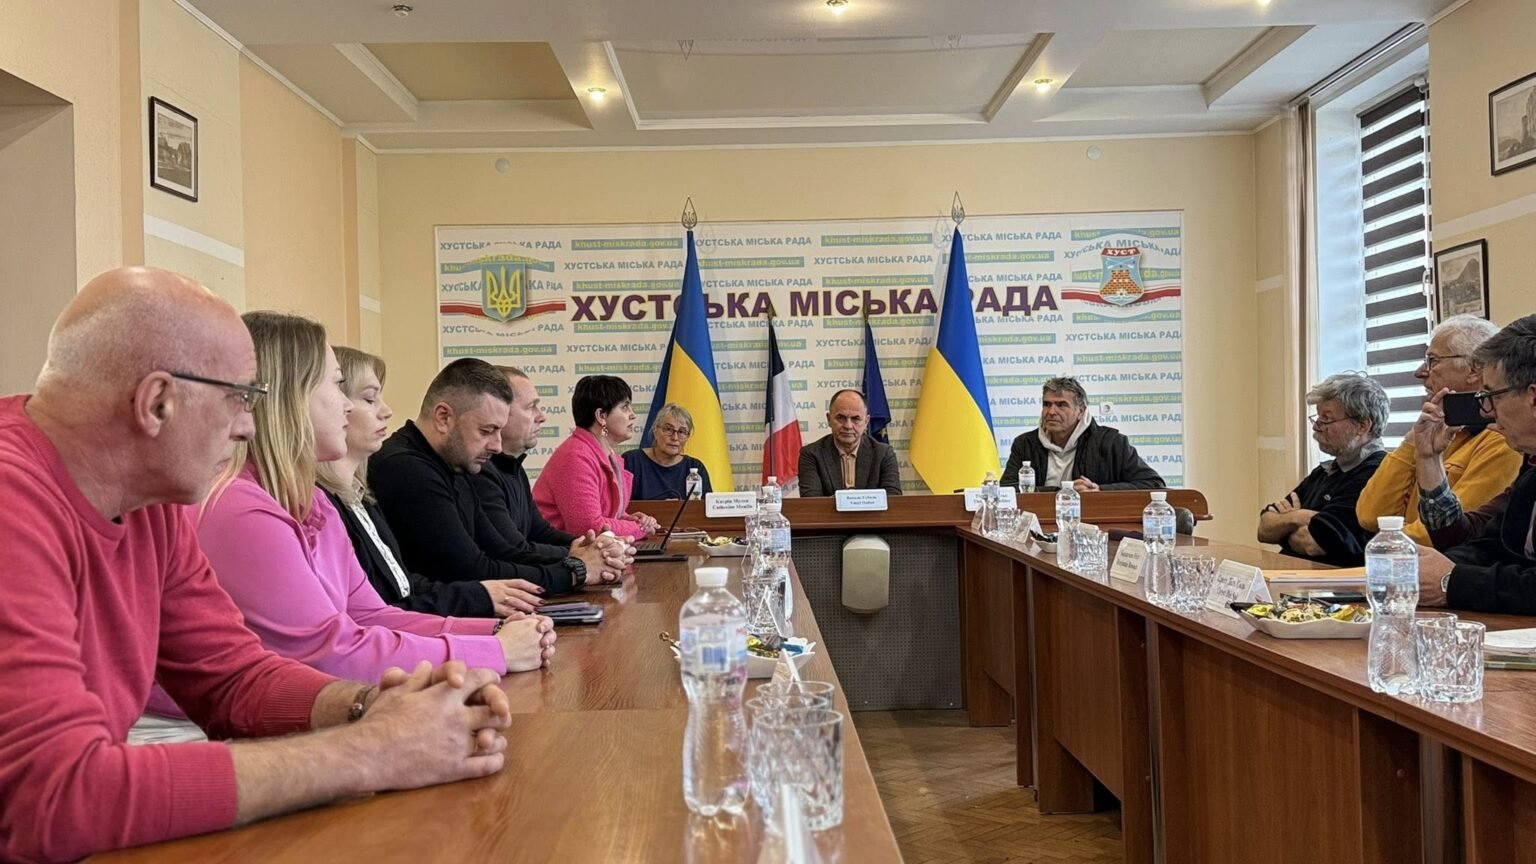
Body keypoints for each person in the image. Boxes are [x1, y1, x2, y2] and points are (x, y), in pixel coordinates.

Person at [0, 267, 513, 862]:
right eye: (241, 398)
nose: (248, 424)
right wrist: (372, 750)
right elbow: (53, 798)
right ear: (157, 402)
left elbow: (232, 678)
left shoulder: (150, 499)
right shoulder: (14, 502)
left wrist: (371, 706)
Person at [185, 313, 554, 688]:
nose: (346, 405)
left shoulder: (316, 500)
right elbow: (330, 653)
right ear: (291, 396)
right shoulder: (243, 510)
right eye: (337, 385)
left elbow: (371, 615)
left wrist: (491, 631)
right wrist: (494, 652)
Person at [319, 349, 549, 618]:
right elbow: (370, 617)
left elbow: (402, 587)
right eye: (370, 399)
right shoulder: (400, 468)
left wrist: (574, 567)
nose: (386, 411)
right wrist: (484, 614)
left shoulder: (359, 495)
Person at [372, 360, 622, 595]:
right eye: (486, 431)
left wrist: (578, 558)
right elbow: (473, 570)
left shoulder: (454, 463)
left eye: (499, 431)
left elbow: (502, 551)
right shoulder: (407, 468)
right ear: (443, 417)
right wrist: (575, 571)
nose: (497, 445)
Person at [1356, 315, 1522, 544]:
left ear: (1475, 369)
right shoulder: (1437, 431)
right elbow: (1370, 515)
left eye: (1432, 360)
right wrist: (1411, 442)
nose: (1420, 372)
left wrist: (1384, 544)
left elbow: (1447, 534)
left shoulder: (1503, 438)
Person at [1418, 314, 1536, 612]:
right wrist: (1420, 570)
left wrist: (1451, 582)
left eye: (1492, 396)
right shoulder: (1532, 463)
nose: (1487, 411)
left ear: (1533, 398)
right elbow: (1488, 543)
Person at [473, 366, 635, 575]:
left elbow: (540, 532)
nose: (542, 417)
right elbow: (514, 549)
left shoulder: (514, 469)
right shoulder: (482, 473)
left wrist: (592, 548)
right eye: (531, 407)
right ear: (499, 413)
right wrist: (583, 556)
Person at [1257, 372, 1390, 565]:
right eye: (1317, 417)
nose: (1316, 427)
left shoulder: (1377, 472)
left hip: (1335, 582)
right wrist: (1299, 517)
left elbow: (1312, 543)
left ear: (1362, 426)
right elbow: (1264, 529)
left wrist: (1285, 523)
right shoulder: (1326, 471)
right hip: (1294, 576)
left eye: (1326, 419)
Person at [533, 375, 659, 539]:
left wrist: (630, 519)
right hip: (558, 551)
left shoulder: (608, 455)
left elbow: (607, 516)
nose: (632, 415)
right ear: (601, 416)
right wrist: (639, 528)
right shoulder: (575, 457)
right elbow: (589, 528)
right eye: (625, 407)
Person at [999, 377, 1164, 492]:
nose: (1051, 412)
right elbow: (1006, 489)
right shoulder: (1025, 444)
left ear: (1080, 411)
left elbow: (1154, 484)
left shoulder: (1112, 442)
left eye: (1061, 405)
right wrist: (1062, 491)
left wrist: (1099, 490)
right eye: (1047, 404)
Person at [798, 388, 902, 497]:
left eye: (855, 419)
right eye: (841, 418)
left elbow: (893, 498)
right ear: (829, 419)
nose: (848, 426)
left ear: (866, 422)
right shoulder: (811, 454)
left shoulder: (884, 453)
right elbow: (812, 501)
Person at [623, 402, 714, 500]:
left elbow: (707, 507)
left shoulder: (695, 468)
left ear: (687, 437)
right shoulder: (631, 461)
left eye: (682, 432)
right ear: (655, 431)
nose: (675, 437)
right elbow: (618, 506)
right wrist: (664, 507)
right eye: (668, 429)